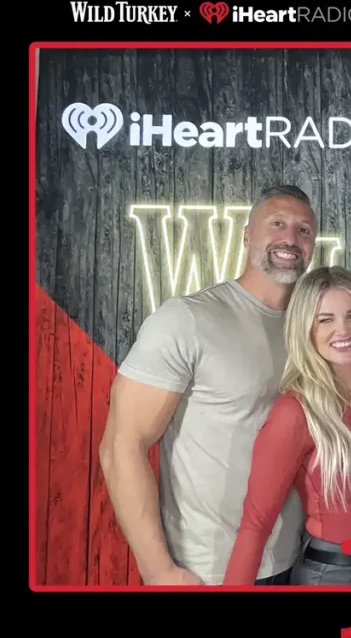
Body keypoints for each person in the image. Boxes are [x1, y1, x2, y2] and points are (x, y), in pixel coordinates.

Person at [98, 184, 317, 586]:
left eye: (304, 230)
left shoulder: (312, 327)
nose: (291, 238)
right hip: (208, 570)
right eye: (278, 224)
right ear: (247, 234)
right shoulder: (187, 318)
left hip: (293, 562)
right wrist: (159, 570)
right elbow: (120, 446)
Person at [223, 266, 351, 586]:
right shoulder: (295, 411)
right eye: (325, 319)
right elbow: (256, 523)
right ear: (305, 329)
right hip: (337, 574)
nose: (343, 329)